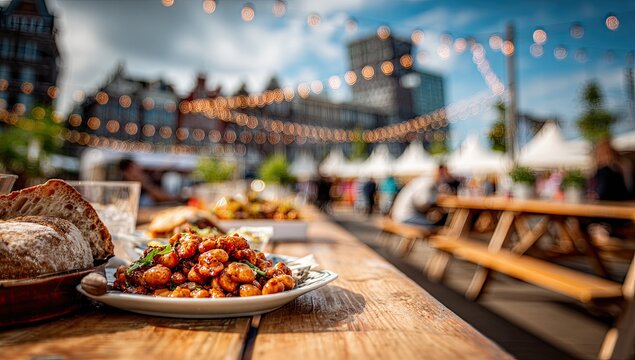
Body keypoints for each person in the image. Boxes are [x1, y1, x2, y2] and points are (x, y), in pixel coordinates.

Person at [391, 164, 459, 228]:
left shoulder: (424, 180)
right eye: (446, 173)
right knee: (435, 227)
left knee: (436, 224)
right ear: (440, 172)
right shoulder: (428, 182)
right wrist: (435, 202)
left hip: (399, 215)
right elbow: (422, 202)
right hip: (405, 217)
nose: (447, 176)